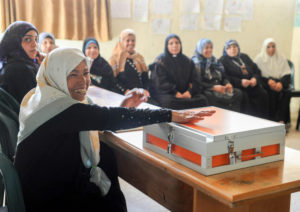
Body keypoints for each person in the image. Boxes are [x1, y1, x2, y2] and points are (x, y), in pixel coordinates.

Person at [14, 47, 215, 212]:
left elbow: (95, 114)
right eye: (72, 74)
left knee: (107, 156)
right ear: (56, 76)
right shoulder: (59, 109)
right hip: (46, 196)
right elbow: (105, 118)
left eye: (85, 73)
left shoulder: (45, 95)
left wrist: (122, 107)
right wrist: (169, 114)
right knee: (107, 162)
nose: (83, 81)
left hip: (49, 178)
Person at [149, 34, 208, 110]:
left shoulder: (188, 61)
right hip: (168, 94)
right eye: (171, 43)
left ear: (180, 44)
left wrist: (189, 92)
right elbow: (160, 82)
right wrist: (175, 93)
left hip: (186, 94)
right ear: (167, 46)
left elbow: (195, 80)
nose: (175, 45)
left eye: (177, 43)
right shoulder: (160, 61)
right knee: (169, 102)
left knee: (202, 100)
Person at [219, 40, 269, 118]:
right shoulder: (223, 61)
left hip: (251, 85)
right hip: (237, 86)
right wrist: (240, 82)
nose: (232, 49)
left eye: (234, 46)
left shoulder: (244, 57)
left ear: (238, 47)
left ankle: (263, 120)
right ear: (225, 50)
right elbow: (225, 77)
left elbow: (257, 70)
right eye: (229, 47)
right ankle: (248, 122)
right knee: (244, 96)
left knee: (262, 93)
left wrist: (255, 79)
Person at [192, 38, 243, 112]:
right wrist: (213, 87)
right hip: (207, 88)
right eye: (206, 48)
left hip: (220, 86)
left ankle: (233, 117)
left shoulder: (215, 61)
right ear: (200, 49)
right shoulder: (196, 63)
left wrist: (227, 83)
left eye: (211, 47)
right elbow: (197, 82)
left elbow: (223, 76)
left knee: (238, 93)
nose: (209, 50)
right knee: (210, 96)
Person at [0, 21, 41, 103]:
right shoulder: (20, 70)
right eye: (28, 39)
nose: (35, 44)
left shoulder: (11, 64)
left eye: (36, 39)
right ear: (14, 43)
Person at [254, 38, 291, 123]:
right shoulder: (259, 59)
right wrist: (268, 82)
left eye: (273, 46)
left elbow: (287, 74)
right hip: (265, 83)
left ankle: (282, 120)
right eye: (268, 47)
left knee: (286, 93)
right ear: (264, 48)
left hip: (279, 82)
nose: (271, 49)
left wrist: (281, 84)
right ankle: (271, 121)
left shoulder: (281, 57)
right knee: (270, 93)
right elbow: (257, 75)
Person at [109, 29, 150, 98]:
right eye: (127, 40)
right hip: (123, 95)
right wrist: (125, 91)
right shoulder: (115, 59)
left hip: (141, 95)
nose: (131, 43)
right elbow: (112, 80)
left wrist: (145, 90)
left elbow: (145, 77)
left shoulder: (139, 57)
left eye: (133, 40)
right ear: (121, 42)